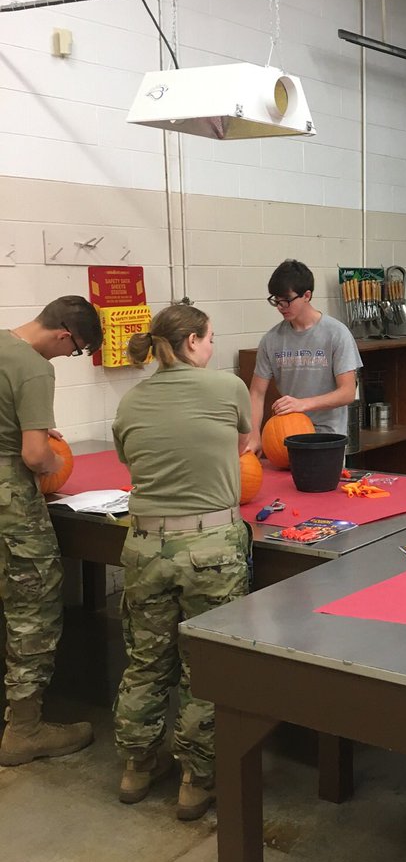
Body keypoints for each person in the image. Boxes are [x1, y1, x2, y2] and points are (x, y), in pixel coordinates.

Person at [111, 305, 251, 820]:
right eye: (210, 337)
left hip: (146, 545)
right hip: (210, 546)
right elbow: (242, 444)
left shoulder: (131, 401)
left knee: (146, 661)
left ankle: (136, 767)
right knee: (204, 668)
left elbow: (131, 461)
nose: (213, 346)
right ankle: (197, 779)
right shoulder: (226, 387)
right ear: (193, 342)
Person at [0, 296, 103, 766]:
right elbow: (33, 455)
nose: (70, 356)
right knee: (34, 606)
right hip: (11, 503)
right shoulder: (35, 367)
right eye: (77, 349)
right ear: (64, 334)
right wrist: (54, 460)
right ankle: (25, 730)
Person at [246, 259, 361, 453]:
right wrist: (254, 435)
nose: (281, 306)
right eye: (276, 300)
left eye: (287, 300)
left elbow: (348, 392)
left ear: (307, 295)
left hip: (327, 438)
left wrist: (303, 404)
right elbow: (256, 393)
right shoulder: (271, 339)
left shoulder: (336, 334)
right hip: (287, 436)